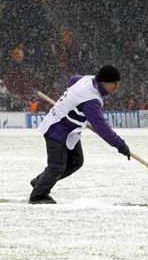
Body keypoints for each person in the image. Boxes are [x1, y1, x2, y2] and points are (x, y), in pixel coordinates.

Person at [28, 65, 131, 204]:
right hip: (56, 129)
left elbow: (72, 80)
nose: (117, 87)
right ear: (105, 83)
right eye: (115, 83)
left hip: (70, 131)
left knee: (76, 161)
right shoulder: (91, 101)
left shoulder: (87, 80)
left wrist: (73, 101)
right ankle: (38, 195)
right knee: (57, 167)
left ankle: (41, 181)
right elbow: (102, 128)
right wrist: (120, 145)